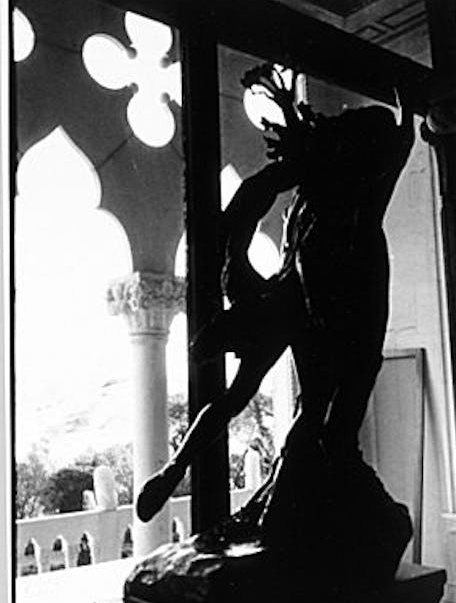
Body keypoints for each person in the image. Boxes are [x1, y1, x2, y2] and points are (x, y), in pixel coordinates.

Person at [135, 65, 414, 525]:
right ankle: (184, 470)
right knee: (304, 404)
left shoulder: (345, 193)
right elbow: (258, 191)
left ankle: (189, 470)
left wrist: (232, 249)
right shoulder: (335, 192)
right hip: (304, 301)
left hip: (321, 306)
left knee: (293, 405)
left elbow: (260, 190)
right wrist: (232, 252)